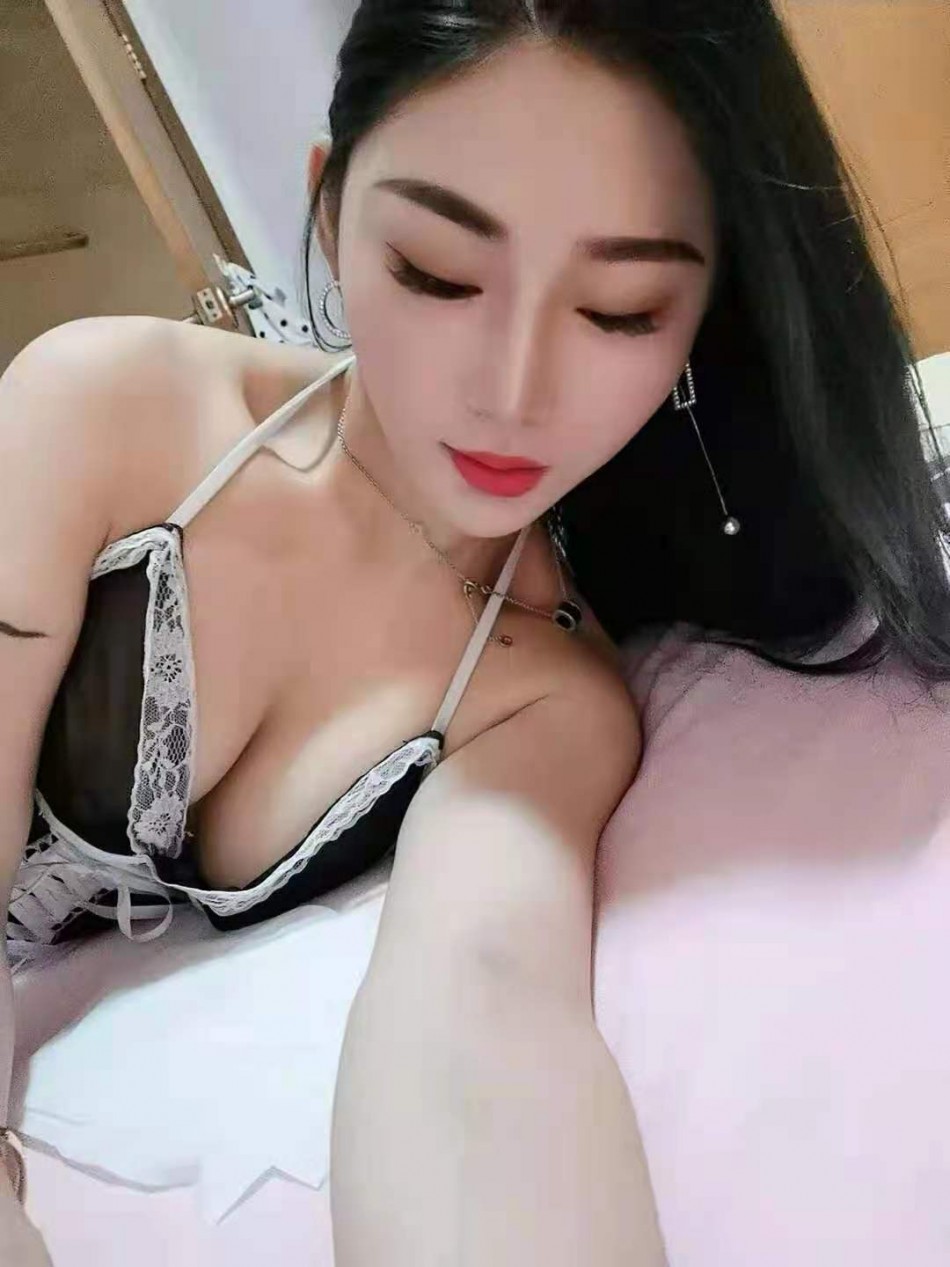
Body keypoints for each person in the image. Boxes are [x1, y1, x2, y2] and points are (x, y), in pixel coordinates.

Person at [2, 0, 948, 1262]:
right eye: (437, 273)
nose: (512, 390)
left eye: (619, 309)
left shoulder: (545, 690)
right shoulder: (109, 412)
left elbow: (480, 1011)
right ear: (329, 212)